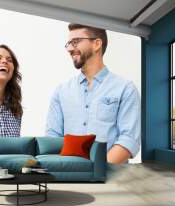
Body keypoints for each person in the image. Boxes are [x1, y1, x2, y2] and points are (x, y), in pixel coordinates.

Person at [46, 24, 141, 164]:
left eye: (75, 41)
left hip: (111, 179)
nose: (70, 49)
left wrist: (97, 171)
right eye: (68, 44)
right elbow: (52, 138)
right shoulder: (61, 92)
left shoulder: (125, 89)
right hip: (69, 175)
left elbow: (129, 139)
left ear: (97, 44)